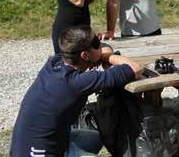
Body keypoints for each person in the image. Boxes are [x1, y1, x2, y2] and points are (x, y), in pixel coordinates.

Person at [10, 26, 142, 157]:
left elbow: (100, 51)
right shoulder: (76, 83)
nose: (100, 45)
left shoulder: (54, 63)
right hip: (39, 153)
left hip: (31, 143)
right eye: (96, 43)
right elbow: (135, 68)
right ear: (85, 55)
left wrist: (99, 52)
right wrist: (108, 57)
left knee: (95, 139)